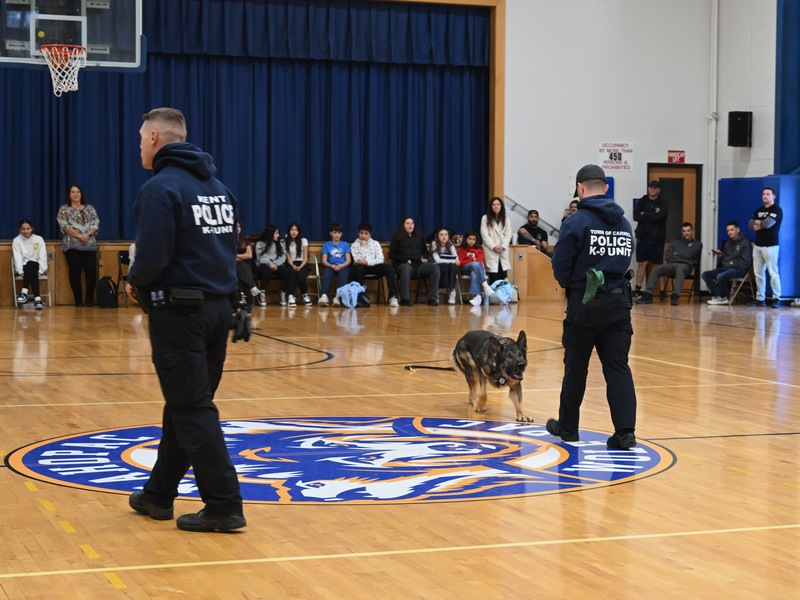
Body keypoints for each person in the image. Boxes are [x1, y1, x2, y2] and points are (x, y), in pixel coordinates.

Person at [125, 107, 245, 532]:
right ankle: (159, 495)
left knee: (193, 409)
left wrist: (132, 280)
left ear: (156, 137)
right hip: (217, 311)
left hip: (178, 314)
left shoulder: (159, 190)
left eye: (141, 137)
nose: (139, 143)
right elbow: (230, 250)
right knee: (184, 406)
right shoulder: (220, 189)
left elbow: (152, 259)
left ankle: (225, 505)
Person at [548, 164, 637, 450]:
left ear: (580, 188)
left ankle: (569, 428)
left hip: (585, 301)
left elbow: (560, 265)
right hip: (619, 301)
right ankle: (625, 433)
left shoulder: (576, 222)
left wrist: (572, 286)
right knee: (618, 368)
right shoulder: (624, 224)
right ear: (606, 188)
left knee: (576, 367)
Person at [636, 222, 703, 306]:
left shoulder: (697, 244)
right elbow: (668, 256)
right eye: (684, 231)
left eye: (688, 231)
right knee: (656, 269)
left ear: (692, 231)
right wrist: (681, 255)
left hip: (686, 266)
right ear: (681, 232)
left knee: (680, 269)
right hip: (671, 265)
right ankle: (648, 295)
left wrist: (676, 254)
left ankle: (675, 296)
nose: (686, 233)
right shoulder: (674, 243)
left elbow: (690, 254)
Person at [56, 184, 99, 307]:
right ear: (69, 195)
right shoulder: (64, 209)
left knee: (91, 272)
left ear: (81, 194)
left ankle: (89, 299)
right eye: (73, 192)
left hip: (89, 245)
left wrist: (88, 234)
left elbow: (95, 224)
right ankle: (78, 300)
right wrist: (80, 236)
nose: (75, 194)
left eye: (78, 191)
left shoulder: (90, 209)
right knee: (75, 272)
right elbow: (64, 226)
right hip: (72, 245)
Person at [389, 217, 440, 306]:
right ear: (403, 225)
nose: (410, 225)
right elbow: (391, 255)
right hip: (403, 265)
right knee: (405, 268)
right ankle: (405, 299)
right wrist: (405, 260)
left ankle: (432, 297)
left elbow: (425, 251)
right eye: (407, 223)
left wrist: (425, 258)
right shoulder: (397, 237)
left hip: (418, 265)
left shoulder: (419, 236)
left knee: (435, 268)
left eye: (412, 223)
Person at [349, 221, 400, 307]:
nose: (364, 235)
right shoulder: (354, 245)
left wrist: (367, 262)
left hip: (374, 266)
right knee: (357, 269)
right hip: (361, 268)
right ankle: (359, 297)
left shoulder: (375, 244)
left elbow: (380, 259)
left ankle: (393, 297)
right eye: (361, 233)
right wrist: (363, 246)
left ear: (370, 234)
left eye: (366, 233)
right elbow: (357, 260)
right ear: (358, 233)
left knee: (388, 268)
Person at [632, 180, 668, 297]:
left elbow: (659, 217)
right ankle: (638, 288)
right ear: (648, 188)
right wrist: (652, 213)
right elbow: (636, 216)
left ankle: (662, 291)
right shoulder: (642, 201)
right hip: (643, 238)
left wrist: (645, 214)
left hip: (657, 239)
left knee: (658, 264)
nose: (652, 189)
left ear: (659, 190)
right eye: (651, 187)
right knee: (642, 263)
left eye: (655, 188)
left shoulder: (663, 203)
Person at [703, 221, 753, 305]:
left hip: (738, 270)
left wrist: (730, 263)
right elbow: (726, 257)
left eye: (732, 230)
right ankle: (722, 296)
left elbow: (746, 262)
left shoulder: (745, 243)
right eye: (728, 230)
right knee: (705, 274)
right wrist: (722, 255)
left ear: (737, 230)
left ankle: (723, 297)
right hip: (726, 268)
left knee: (720, 276)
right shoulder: (727, 243)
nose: (730, 232)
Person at [748, 187, 782, 307]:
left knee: (773, 273)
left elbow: (768, 224)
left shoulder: (777, 210)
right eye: (763, 194)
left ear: (773, 196)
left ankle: (776, 298)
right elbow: (750, 225)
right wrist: (760, 223)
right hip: (758, 245)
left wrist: (759, 223)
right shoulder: (759, 210)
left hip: (770, 245)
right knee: (758, 273)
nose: (765, 196)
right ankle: (760, 298)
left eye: (768, 194)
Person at [12, 219, 48, 310]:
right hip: (24, 268)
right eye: (23, 229)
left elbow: (42, 256)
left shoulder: (38, 239)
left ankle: (24, 292)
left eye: (28, 228)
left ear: (32, 229)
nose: (26, 231)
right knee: (30, 265)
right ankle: (38, 300)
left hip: (37, 266)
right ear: (19, 230)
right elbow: (17, 257)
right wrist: (20, 271)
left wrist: (41, 270)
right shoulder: (16, 240)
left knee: (31, 263)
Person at [254, 224, 292, 306]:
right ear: (270, 234)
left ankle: (283, 293)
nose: (278, 235)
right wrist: (270, 264)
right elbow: (261, 257)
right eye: (276, 233)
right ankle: (262, 292)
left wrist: (275, 263)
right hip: (263, 265)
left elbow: (283, 256)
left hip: (276, 265)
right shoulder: (260, 243)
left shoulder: (279, 243)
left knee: (285, 271)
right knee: (268, 270)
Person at [457, 231, 494, 306]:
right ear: (466, 239)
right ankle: (485, 284)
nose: (471, 241)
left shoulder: (479, 250)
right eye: (470, 239)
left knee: (474, 273)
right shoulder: (460, 250)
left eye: (474, 239)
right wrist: (471, 260)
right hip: (465, 269)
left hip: (475, 269)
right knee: (474, 264)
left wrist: (468, 260)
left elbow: (479, 262)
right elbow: (461, 263)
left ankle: (477, 297)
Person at [480, 196, 511, 284]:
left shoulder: (506, 219)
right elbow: (484, 235)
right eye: (494, 205)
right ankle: (493, 297)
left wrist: (503, 246)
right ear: (491, 207)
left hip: (502, 250)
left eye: (498, 204)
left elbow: (508, 234)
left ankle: (502, 296)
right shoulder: (485, 218)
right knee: (492, 275)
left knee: (503, 275)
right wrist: (493, 247)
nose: (496, 206)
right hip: (491, 250)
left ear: (501, 206)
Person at [319, 222, 351, 306]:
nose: (337, 235)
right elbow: (324, 260)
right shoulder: (326, 245)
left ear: (341, 234)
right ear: (331, 233)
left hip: (342, 266)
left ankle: (338, 297)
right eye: (335, 232)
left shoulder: (345, 244)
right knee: (326, 273)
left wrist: (341, 266)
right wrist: (331, 266)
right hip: (331, 266)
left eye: (339, 233)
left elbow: (348, 260)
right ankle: (324, 296)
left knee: (344, 273)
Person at [283, 222, 313, 307]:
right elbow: (288, 256)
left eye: (296, 230)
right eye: (292, 230)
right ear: (289, 231)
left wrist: (300, 266)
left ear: (299, 231)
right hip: (290, 263)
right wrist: (292, 265)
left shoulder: (303, 241)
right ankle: (291, 296)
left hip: (302, 263)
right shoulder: (286, 241)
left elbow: (306, 257)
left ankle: (305, 295)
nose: (294, 232)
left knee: (300, 276)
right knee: (292, 273)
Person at [430, 227, 460, 305]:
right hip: (438, 266)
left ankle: (452, 292)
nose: (444, 237)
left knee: (452, 267)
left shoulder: (451, 245)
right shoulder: (434, 244)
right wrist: (452, 261)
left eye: (446, 235)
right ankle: (437, 293)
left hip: (449, 267)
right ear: (438, 236)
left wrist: (453, 261)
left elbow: (457, 259)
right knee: (443, 266)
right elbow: (438, 260)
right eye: (441, 235)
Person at [235, 221, 260, 304]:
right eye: (236, 226)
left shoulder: (245, 239)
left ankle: (242, 298)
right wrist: (240, 257)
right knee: (240, 267)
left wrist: (237, 256)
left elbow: (249, 255)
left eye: (239, 226)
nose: (237, 228)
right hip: (232, 264)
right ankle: (252, 286)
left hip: (245, 264)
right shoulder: (228, 240)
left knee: (242, 270)